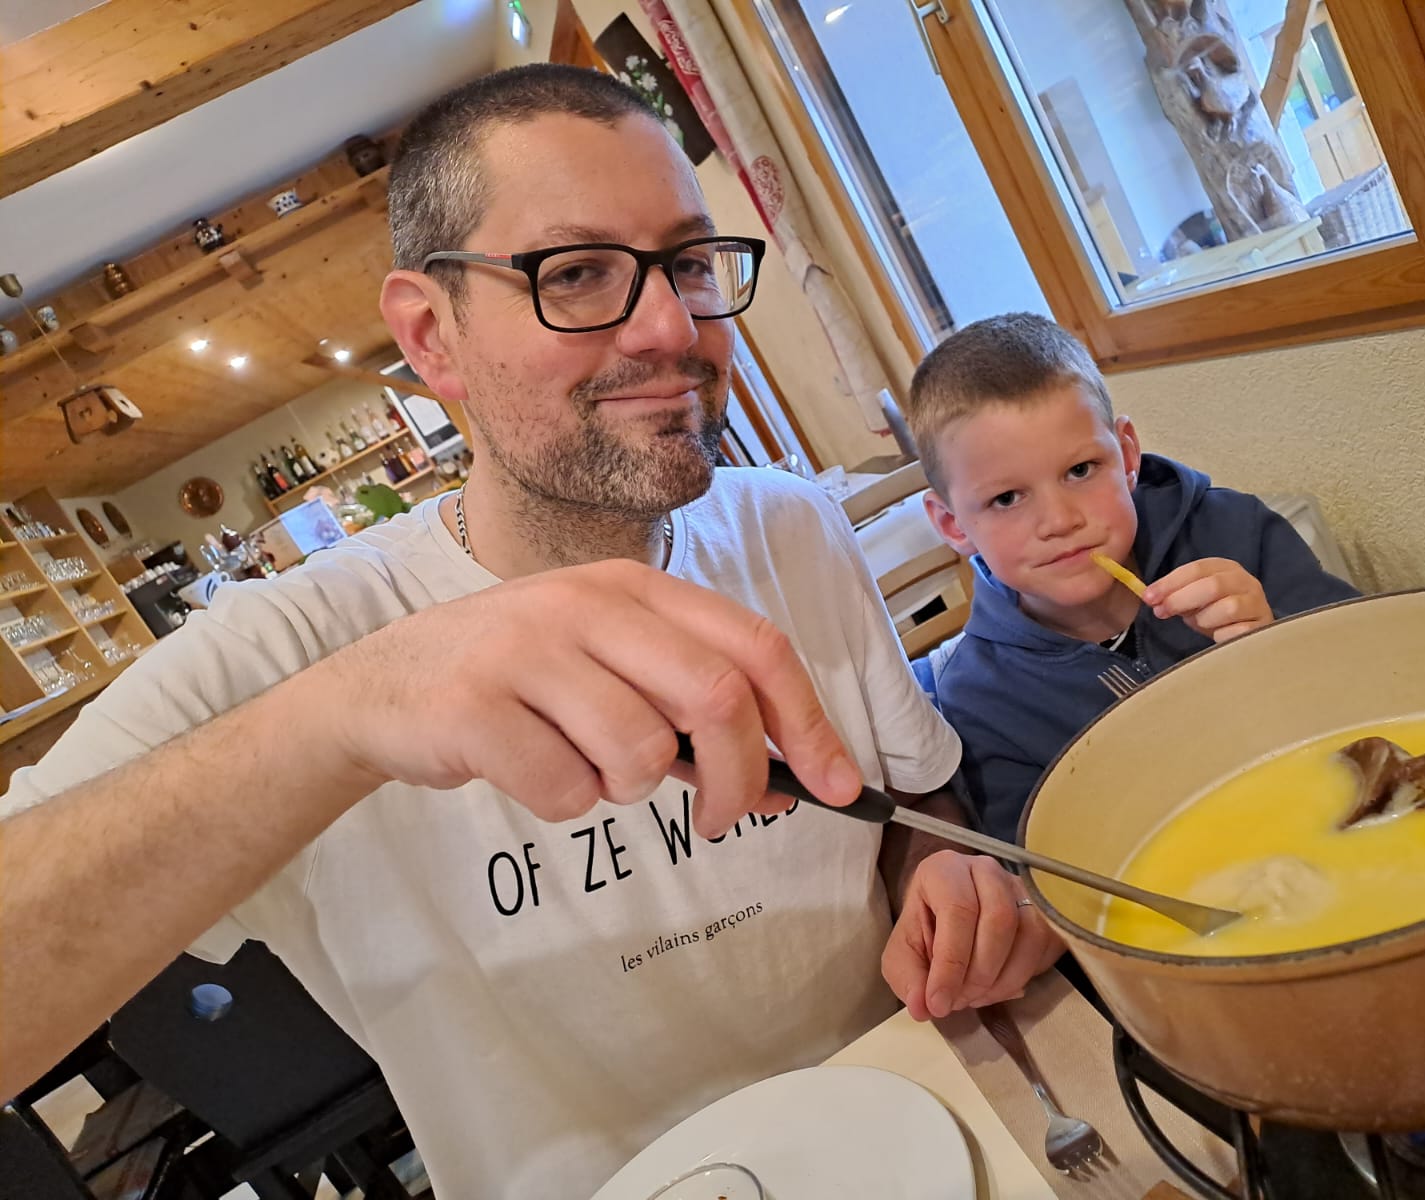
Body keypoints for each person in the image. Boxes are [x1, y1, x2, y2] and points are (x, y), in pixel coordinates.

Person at [0, 68, 1063, 1197]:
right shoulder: (288, 649)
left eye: (690, 264)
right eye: (576, 273)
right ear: (432, 336)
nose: (671, 327)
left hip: (923, 1131)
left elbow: (913, 810)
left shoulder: (790, 527)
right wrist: (344, 713)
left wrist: (952, 877)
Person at [904, 313, 1360, 842]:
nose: (1060, 521)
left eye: (1080, 471)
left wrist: (1278, 639)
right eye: (1006, 498)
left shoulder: (1235, 531)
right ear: (953, 525)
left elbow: (1380, 673)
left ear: (1125, 455)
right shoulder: (979, 699)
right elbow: (1052, 864)